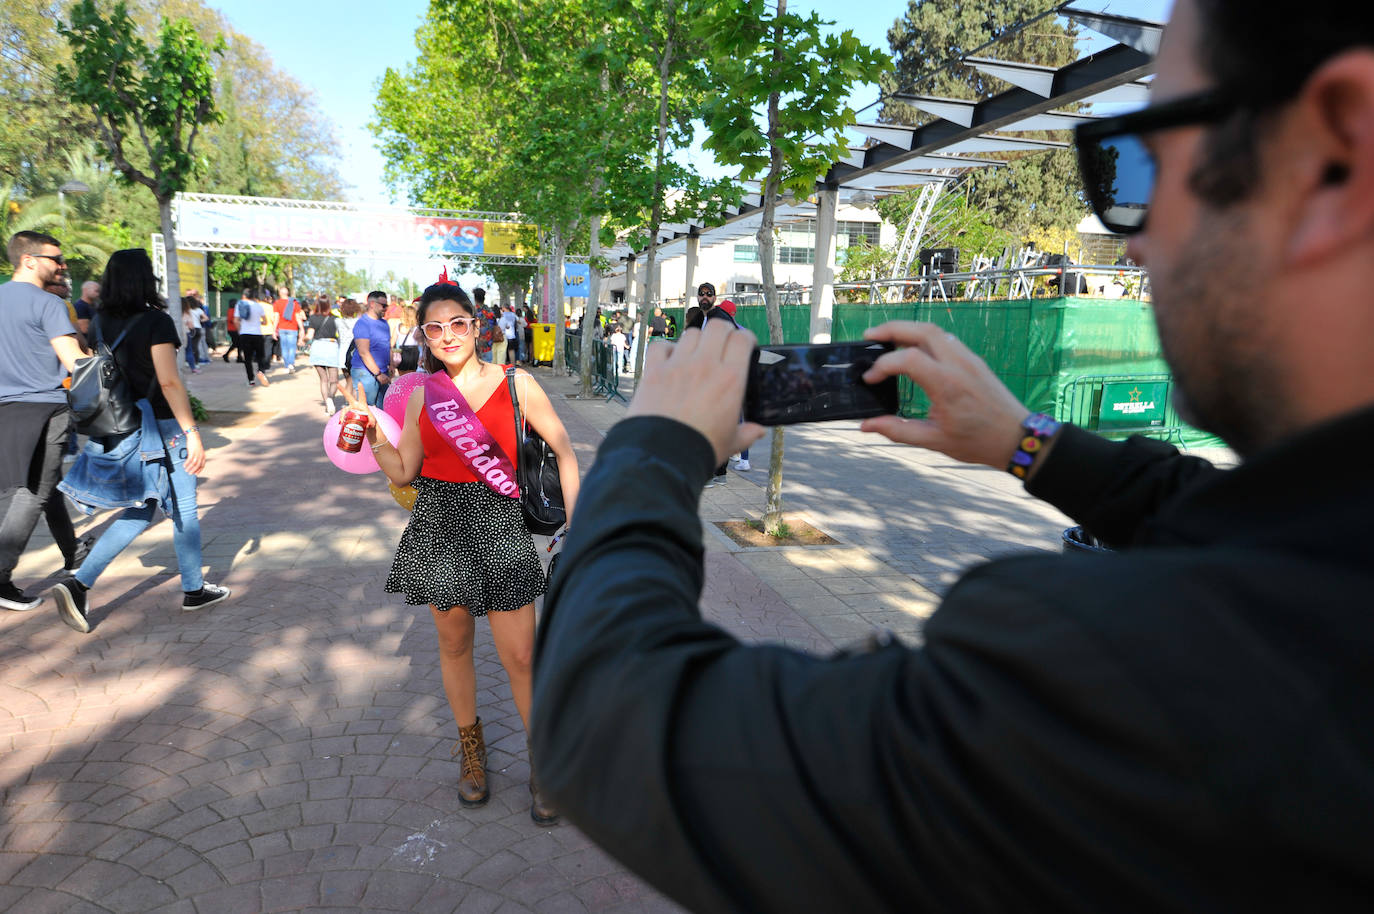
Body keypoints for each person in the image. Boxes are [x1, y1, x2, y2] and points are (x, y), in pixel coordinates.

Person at [530, 1, 1374, 909]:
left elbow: (605, 725)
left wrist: (656, 445)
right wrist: (1028, 445)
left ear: (1337, 151)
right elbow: (1221, 509)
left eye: (1144, 157)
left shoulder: (1133, 669)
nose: (1133, 230)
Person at [347, 279, 580, 826]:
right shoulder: (421, 392)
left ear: (476, 327)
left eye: (458, 323)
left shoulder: (516, 383)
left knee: (521, 656)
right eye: (435, 327)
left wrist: (581, 525)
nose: (448, 335)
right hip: (440, 528)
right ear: (423, 335)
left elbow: (565, 453)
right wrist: (371, 432)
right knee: (454, 648)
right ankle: (471, 753)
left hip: (500, 527)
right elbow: (404, 470)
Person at [50, 249, 230, 632]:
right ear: (145, 279)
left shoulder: (99, 321)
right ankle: (188, 589)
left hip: (124, 424)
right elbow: (168, 381)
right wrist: (193, 433)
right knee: (181, 505)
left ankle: (84, 584)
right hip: (162, 424)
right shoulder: (156, 321)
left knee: (142, 507)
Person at [0, 232, 84, 611]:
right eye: (55, 258)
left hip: (5, 408)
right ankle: (1, 577)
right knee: (34, 494)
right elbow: (75, 363)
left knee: (19, 489)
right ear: (28, 260)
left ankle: (71, 549)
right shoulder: (48, 304)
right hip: (45, 408)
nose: (61, 265)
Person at [349, 290, 392, 407]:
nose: (385, 309)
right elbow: (364, 352)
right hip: (366, 373)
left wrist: (391, 365)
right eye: (383, 305)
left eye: (386, 306)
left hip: (382, 372)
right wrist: (378, 374)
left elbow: (388, 346)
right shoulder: (362, 324)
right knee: (367, 410)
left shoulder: (384, 323)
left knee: (383, 410)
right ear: (372, 304)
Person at [304, 298, 340, 414]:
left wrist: (302, 339)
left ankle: (327, 403)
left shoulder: (313, 318)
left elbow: (309, 336)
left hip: (318, 347)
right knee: (334, 380)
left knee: (323, 379)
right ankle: (331, 399)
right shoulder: (335, 319)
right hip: (331, 347)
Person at [235, 290, 272, 387]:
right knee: (260, 356)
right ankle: (261, 372)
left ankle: (251, 380)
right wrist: (257, 323)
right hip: (257, 334)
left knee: (247, 358)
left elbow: (236, 320)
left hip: (245, 334)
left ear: (244, 296)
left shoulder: (240, 305)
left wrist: (240, 330)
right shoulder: (258, 306)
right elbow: (265, 321)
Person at [272, 287, 304, 373]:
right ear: (288, 293)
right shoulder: (294, 303)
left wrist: (274, 330)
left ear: (280, 293)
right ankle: (291, 364)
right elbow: (298, 317)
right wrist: (302, 328)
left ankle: (287, 365)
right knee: (292, 347)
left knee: (284, 348)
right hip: (293, 328)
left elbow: (276, 317)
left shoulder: (277, 303)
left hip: (282, 328)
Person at [181, 295, 204, 373]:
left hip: (173, 333)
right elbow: (191, 326)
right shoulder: (187, 313)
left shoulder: (170, 312)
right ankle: (193, 367)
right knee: (189, 350)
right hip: (186, 333)